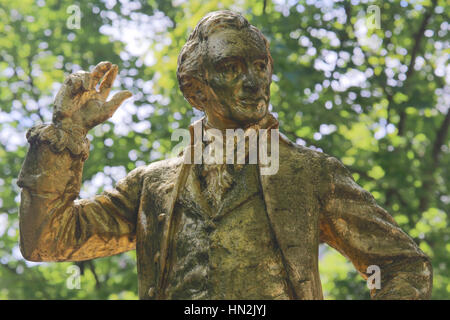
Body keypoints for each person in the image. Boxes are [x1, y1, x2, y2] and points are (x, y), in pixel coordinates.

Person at [17, 10, 432, 300]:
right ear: (196, 89)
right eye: (231, 68)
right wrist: (66, 131)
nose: (253, 82)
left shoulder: (310, 174)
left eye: (260, 66)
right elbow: (47, 241)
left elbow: (403, 266)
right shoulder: (151, 186)